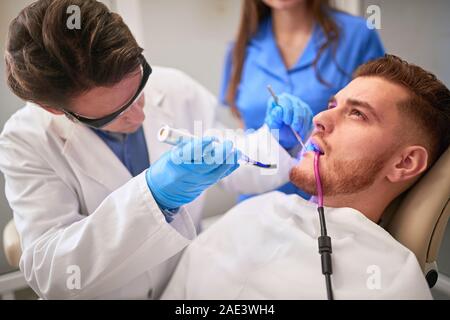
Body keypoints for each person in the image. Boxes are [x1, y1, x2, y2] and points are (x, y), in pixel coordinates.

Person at [0, 0, 294, 299]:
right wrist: (155, 198)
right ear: (53, 109)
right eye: (113, 114)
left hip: (190, 285)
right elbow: (54, 275)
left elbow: (231, 158)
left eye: (139, 90)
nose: (140, 116)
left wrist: (276, 144)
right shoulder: (26, 141)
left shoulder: (173, 87)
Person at [162, 55, 450, 299]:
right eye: (333, 105)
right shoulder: (252, 214)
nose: (320, 119)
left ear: (405, 162)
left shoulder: (393, 282)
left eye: (358, 114)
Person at [220, 0, 385, 200]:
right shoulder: (241, 47)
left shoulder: (357, 36)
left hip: (325, 203)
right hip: (256, 203)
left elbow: (376, 125)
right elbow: (244, 132)